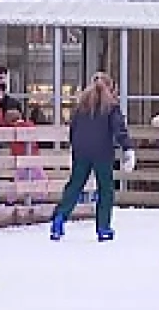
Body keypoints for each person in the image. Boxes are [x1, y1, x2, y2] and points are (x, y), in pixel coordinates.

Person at [50, 72, 134, 241]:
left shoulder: (81, 106)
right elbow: (119, 129)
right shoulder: (111, 106)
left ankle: (59, 219)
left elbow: (73, 130)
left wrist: (74, 149)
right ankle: (103, 227)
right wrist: (128, 148)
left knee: (74, 186)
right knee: (105, 189)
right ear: (110, 87)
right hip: (102, 152)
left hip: (81, 151)